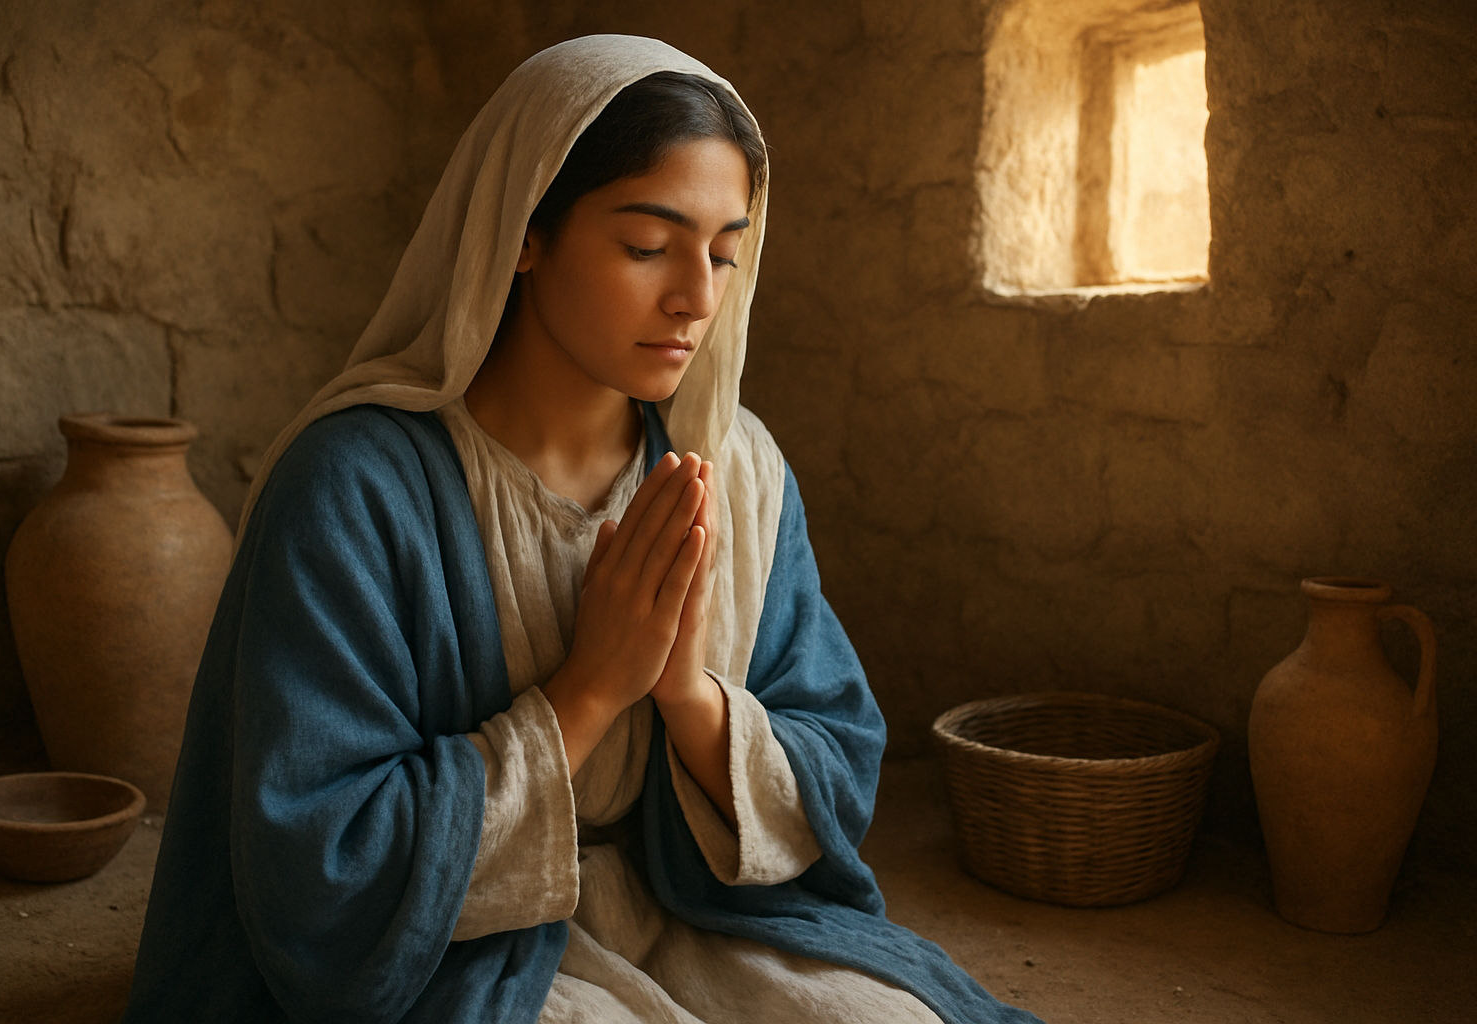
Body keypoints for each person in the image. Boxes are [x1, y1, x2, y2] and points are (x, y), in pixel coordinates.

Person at [121, 34, 1045, 1024]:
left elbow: (835, 756)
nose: (695, 297)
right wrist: (590, 690)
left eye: (724, 253)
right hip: (465, 942)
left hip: (696, 914)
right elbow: (320, 862)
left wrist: (687, 694)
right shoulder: (356, 490)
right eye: (647, 246)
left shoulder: (737, 470)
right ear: (524, 231)